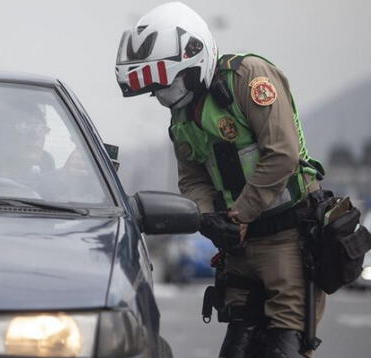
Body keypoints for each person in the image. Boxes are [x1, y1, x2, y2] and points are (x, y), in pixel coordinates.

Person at [115, 2, 326, 358]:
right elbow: (193, 179)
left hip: (287, 237)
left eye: (164, 83)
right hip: (238, 246)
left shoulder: (248, 78)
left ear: (194, 59)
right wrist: (208, 217)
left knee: (284, 347)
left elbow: (282, 154)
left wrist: (239, 214)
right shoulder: (181, 119)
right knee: (237, 348)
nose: (158, 94)